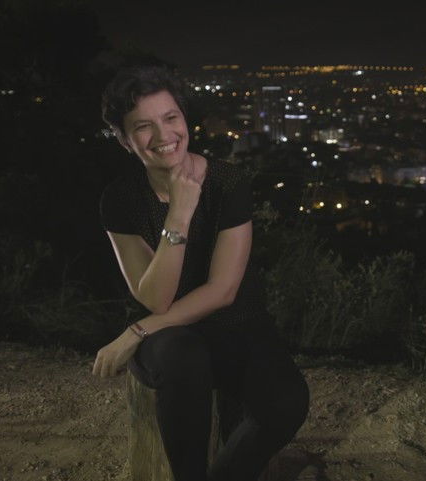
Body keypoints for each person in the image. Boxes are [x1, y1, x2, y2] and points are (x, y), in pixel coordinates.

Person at [93, 65, 309, 481]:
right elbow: (156, 298)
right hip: (169, 339)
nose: (163, 135)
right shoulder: (120, 199)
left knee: (287, 401)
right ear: (124, 140)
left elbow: (223, 290)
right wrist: (179, 213)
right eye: (143, 126)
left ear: (184, 118)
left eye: (170, 118)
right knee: (182, 356)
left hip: (235, 323)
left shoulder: (228, 182)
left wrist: (136, 331)